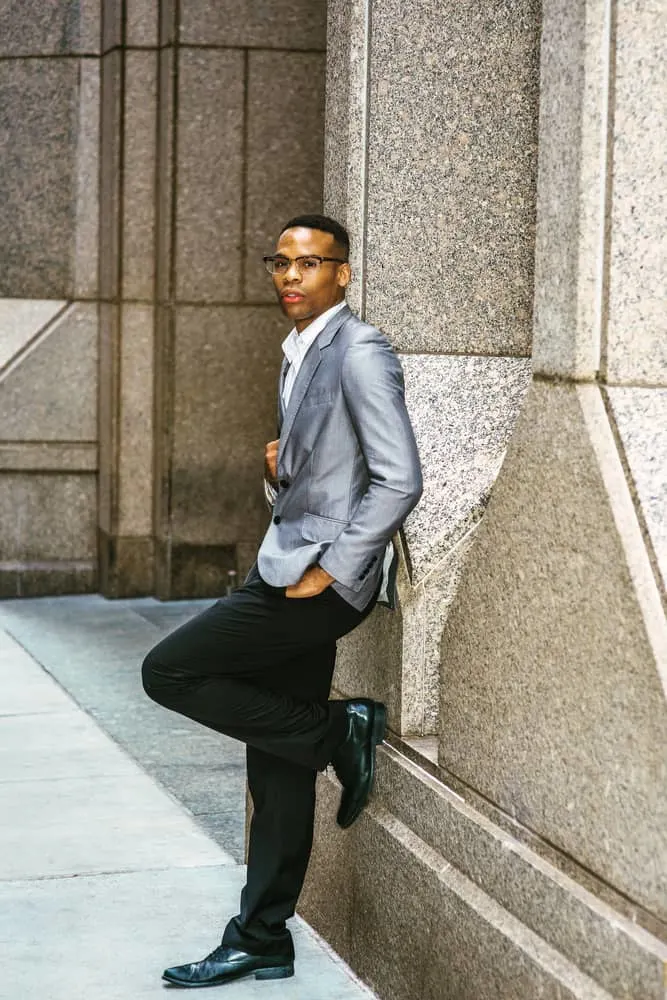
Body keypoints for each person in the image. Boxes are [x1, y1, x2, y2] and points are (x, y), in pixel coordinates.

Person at [141, 214, 423, 988]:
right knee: (274, 764)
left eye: (311, 263)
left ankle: (340, 727)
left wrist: (332, 570)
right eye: (281, 262)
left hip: (314, 584)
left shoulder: (358, 348)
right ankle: (263, 933)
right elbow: (322, 477)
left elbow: (399, 478)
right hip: (290, 560)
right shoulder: (300, 350)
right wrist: (278, 471)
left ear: (342, 274)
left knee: (169, 672)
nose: (292, 275)